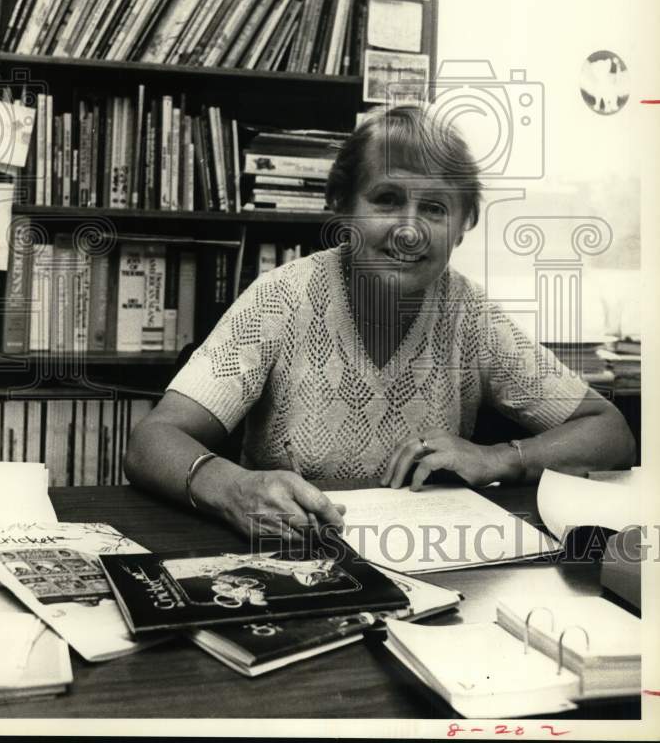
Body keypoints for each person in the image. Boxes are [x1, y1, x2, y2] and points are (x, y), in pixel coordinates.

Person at [125, 104, 635, 538]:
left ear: (461, 229)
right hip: (292, 558)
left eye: (435, 209)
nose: (409, 231)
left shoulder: (470, 314)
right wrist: (233, 487)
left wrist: (500, 458)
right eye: (387, 200)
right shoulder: (280, 299)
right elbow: (152, 440)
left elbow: (610, 432)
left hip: (431, 566)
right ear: (341, 207)